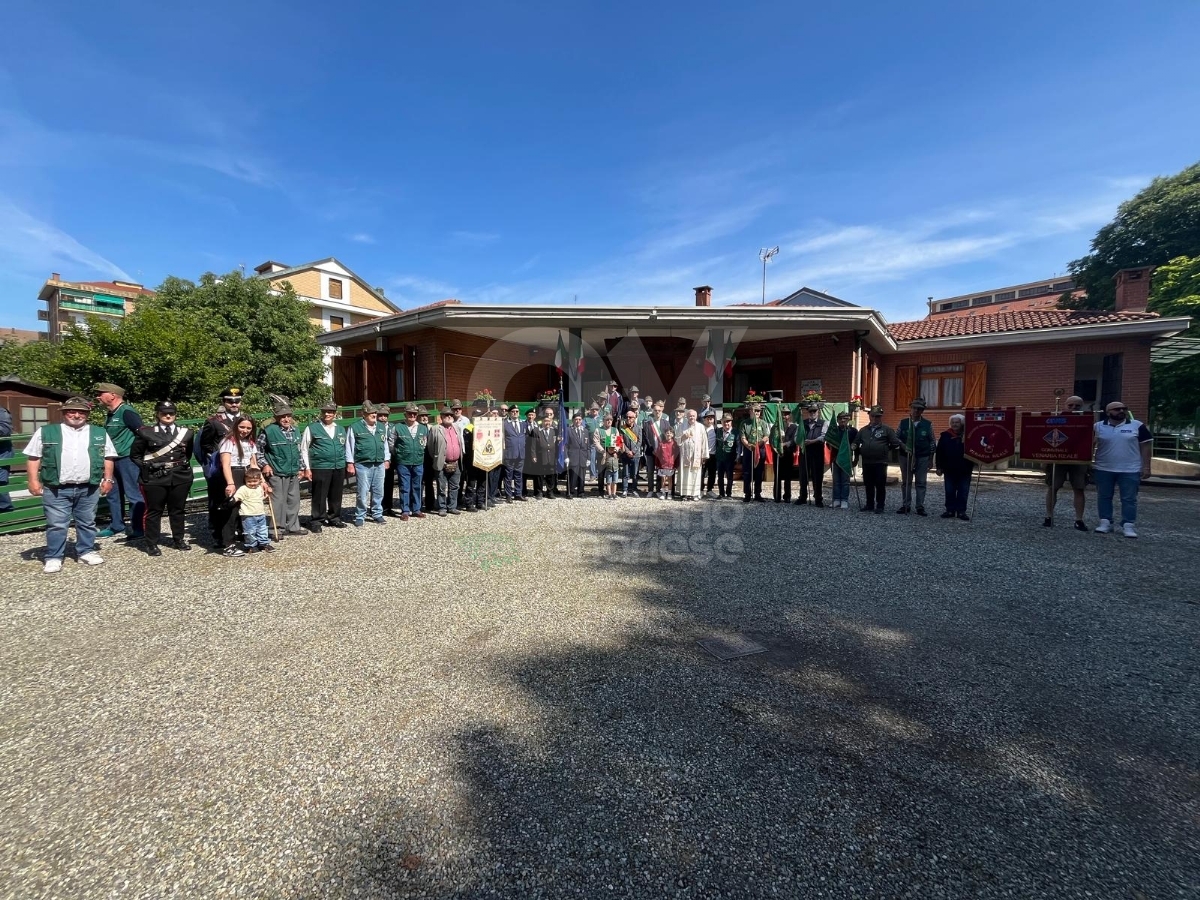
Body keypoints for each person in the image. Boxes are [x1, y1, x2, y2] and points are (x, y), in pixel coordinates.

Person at [25, 397, 116, 574]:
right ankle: (54, 556)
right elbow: (34, 457)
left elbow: (108, 457)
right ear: (64, 413)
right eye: (71, 411)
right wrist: (33, 480)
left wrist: (108, 479)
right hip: (56, 487)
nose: (76, 415)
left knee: (87, 522)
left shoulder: (99, 432)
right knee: (57, 524)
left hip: (88, 486)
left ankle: (86, 551)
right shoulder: (46, 431)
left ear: (87, 414)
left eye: (81, 412)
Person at [130, 400, 195, 554]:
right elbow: (135, 455)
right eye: (164, 413)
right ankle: (151, 543)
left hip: (180, 476)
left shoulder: (186, 433)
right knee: (154, 511)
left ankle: (178, 539)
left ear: (175, 414)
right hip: (155, 477)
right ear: (157, 414)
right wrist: (148, 467)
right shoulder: (146, 432)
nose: (168, 415)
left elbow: (188, 453)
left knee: (178, 510)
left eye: (171, 413)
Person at [1092, 400, 1153, 538]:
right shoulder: (1098, 427)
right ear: (1108, 412)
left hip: (1130, 469)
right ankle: (1105, 521)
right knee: (1104, 496)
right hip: (1104, 467)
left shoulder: (1137, 425)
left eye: (1123, 409)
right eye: (1116, 409)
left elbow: (1146, 446)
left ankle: (1128, 525)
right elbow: (1089, 444)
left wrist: (1147, 466)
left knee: (1129, 498)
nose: (1121, 411)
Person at [94, 382, 145, 540]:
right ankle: (116, 525)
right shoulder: (111, 414)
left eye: (101, 393)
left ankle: (139, 529)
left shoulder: (127, 412)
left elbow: (142, 433)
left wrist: (136, 454)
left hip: (127, 459)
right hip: (112, 459)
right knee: (112, 493)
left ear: (112, 395)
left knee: (133, 494)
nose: (98, 397)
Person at [198, 387, 245, 545]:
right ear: (224, 402)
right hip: (221, 468)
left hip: (240, 466)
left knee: (241, 498)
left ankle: (239, 530)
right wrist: (218, 458)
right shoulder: (214, 421)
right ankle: (218, 534)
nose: (234, 404)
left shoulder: (245, 419)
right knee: (219, 501)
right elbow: (206, 444)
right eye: (230, 401)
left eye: (237, 401)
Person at [258, 403, 305, 538]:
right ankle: (276, 529)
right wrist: (264, 465)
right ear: (276, 417)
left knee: (293, 500)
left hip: (292, 471)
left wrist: (301, 468)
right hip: (276, 471)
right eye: (282, 416)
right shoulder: (268, 431)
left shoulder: (295, 430)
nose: (286, 419)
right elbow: (258, 451)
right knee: (278, 502)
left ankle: (293, 526)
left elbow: (298, 451)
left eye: (288, 416)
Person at [300, 401, 348, 532]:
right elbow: (304, 448)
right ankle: (317, 520)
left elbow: (344, 447)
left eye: (330, 412)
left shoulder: (340, 429)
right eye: (325, 411)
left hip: (338, 465)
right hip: (320, 465)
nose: (327, 414)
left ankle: (334, 517)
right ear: (321, 413)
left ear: (334, 413)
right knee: (319, 494)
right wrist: (307, 468)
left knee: (336, 493)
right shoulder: (312, 428)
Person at [1044, 395, 1090, 531]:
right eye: (1070, 405)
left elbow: (1092, 439)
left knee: (1079, 488)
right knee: (1053, 487)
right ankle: (1049, 516)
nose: (1073, 408)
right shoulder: (1054, 419)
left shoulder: (1087, 421)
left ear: (1082, 407)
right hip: (1057, 459)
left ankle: (1079, 520)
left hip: (1078, 459)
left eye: (1077, 406)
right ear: (1065, 405)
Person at [217, 416, 259, 555]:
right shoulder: (228, 441)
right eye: (242, 427)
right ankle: (228, 544)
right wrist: (230, 483)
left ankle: (247, 539)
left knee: (246, 507)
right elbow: (226, 464)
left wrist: (262, 482)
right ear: (236, 426)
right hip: (233, 474)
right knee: (231, 510)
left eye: (248, 428)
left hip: (247, 473)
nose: (245, 430)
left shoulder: (250, 442)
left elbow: (254, 464)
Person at [852, 406, 906, 513]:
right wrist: (853, 446)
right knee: (868, 484)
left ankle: (880, 505)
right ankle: (869, 504)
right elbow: (856, 442)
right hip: (867, 462)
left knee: (880, 485)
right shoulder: (863, 430)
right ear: (869, 416)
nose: (876, 418)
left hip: (880, 462)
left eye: (878, 416)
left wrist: (886, 448)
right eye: (873, 416)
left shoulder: (887, 429)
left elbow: (895, 442)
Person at [345, 402, 390, 526]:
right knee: (362, 491)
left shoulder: (381, 427)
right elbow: (349, 446)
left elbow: (385, 444)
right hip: (363, 464)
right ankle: (360, 515)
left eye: (375, 412)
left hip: (379, 463)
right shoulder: (355, 427)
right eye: (370, 412)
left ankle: (377, 513)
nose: (373, 414)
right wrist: (350, 463)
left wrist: (386, 459)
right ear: (363, 414)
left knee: (379, 490)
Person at [897, 397, 936, 515]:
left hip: (922, 457)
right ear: (910, 409)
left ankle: (920, 506)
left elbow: (932, 442)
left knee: (921, 482)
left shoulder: (927, 424)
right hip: (905, 456)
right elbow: (896, 437)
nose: (916, 411)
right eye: (914, 408)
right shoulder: (903, 423)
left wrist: (931, 459)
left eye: (919, 409)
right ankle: (906, 505)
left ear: (922, 411)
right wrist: (904, 446)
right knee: (906, 482)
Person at [392, 404, 429, 520]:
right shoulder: (398, 427)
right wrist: (398, 454)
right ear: (405, 414)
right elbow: (390, 444)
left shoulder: (423, 428)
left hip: (418, 461)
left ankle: (417, 509)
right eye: (410, 413)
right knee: (404, 486)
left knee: (417, 486)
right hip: (403, 462)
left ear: (417, 415)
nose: (412, 415)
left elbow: (425, 444)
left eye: (414, 414)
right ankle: (405, 511)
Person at [935, 414, 974, 520]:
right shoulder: (945, 435)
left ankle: (961, 511)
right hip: (949, 469)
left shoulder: (969, 435)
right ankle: (950, 510)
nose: (954, 424)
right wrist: (938, 466)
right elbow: (939, 452)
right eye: (953, 422)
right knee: (949, 490)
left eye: (957, 422)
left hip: (965, 469)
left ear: (962, 423)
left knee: (963, 491)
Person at [426, 406, 463, 516]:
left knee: (455, 486)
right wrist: (438, 458)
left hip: (456, 462)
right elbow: (430, 447)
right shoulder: (435, 429)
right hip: (442, 463)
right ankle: (442, 507)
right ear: (441, 417)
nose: (449, 417)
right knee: (441, 487)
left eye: (451, 415)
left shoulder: (457, 427)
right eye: (446, 415)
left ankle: (452, 506)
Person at [233, 467, 274, 553]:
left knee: (262, 530)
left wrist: (269, 492)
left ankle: (263, 543)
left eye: (255, 481)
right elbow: (237, 497)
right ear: (245, 480)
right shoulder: (243, 489)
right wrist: (232, 500)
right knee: (250, 532)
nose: (252, 483)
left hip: (260, 513)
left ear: (259, 480)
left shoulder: (259, 488)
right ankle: (251, 545)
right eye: (249, 481)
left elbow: (263, 497)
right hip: (248, 515)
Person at [824, 410, 859, 510]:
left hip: (846, 459)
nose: (843, 420)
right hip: (835, 458)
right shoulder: (833, 431)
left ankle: (844, 500)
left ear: (848, 419)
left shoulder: (853, 431)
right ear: (838, 420)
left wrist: (856, 458)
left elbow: (856, 445)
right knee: (836, 481)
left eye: (845, 418)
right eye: (840, 418)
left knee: (845, 481)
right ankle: (836, 500)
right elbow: (828, 443)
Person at [798, 403, 829, 507]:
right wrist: (800, 441)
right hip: (804, 452)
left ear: (818, 412)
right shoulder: (803, 423)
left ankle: (818, 499)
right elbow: (796, 436)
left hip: (817, 452)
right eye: (810, 411)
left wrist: (812, 441)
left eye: (814, 411)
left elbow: (824, 436)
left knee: (817, 476)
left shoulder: (823, 423)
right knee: (803, 476)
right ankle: (802, 497)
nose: (812, 413)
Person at [676, 409, 708, 501]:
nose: (691, 418)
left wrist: (704, 455)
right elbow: (676, 439)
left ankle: (694, 494)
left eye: (693, 416)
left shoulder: (701, 427)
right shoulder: (681, 426)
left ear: (696, 416)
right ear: (686, 417)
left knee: (695, 474)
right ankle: (684, 494)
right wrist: (683, 437)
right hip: (685, 455)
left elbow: (704, 441)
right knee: (685, 474)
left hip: (696, 455)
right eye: (690, 416)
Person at [740, 404, 769, 502]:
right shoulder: (745, 423)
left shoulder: (763, 423)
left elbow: (766, 436)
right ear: (750, 412)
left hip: (759, 449)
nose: (757, 413)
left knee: (759, 472)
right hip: (748, 449)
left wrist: (758, 444)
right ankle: (747, 494)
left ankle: (757, 494)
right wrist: (748, 445)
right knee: (747, 473)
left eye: (758, 411)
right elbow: (742, 437)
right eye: (755, 411)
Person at [529, 408, 560, 499]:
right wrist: (533, 455)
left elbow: (558, 444)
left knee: (550, 475)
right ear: (542, 421)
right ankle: (539, 492)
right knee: (539, 475)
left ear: (551, 422)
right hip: (540, 456)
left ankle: (550, 492)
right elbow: (533, 445)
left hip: (551, 456)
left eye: (549, 421)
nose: (547, 423)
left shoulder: (554, 431)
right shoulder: (536, 431)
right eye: (545, 421)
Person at [642, 400, 671, 497]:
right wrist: (652, 448)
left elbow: (668, 437)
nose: (657, 412)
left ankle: (658, 490)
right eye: (655, 410)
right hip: (650, 451)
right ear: (653, 412)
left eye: (659, 410)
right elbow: (645, 437)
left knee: (660, 472)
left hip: (661, 452)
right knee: (650, 471)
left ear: (662, 411)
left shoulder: (666, 423)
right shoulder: (647, 423)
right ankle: (650, 490)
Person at [376, 404, 399, 516]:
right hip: (377, 458)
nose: (383, 418)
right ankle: (376, 507)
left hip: (390, 458)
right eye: (380, 415)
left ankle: (388, 507)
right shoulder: (373, 426)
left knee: (389, 483)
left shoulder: (392, 427)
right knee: (376, 484)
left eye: (385, 415)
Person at [502, 404, 527, 501]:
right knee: (508, 476)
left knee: (518, 475)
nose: (515, 413)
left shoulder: (523, 423)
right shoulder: (505, 423)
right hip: (510, 453)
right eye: (513, 411)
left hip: (521, 453)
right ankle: (508, 495)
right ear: (509, 413)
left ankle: (518, 493)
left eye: (517, 411)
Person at [774, 407, 799, 503]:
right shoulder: (777, 426)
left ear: (790, 415)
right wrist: (776, 447)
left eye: (787, 414)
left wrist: (784, 444)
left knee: (788, 476)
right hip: (777, 454)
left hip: (788, 454)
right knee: (777, 476)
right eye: (783, 414)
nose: (785, 416)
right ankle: (777, 496)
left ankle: (787, 496)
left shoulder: (794, 427)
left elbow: (794, 440)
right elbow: (773, 438)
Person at [617, 408, 642, 497]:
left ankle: (634, 489)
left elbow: (639, 441)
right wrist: (628, 451)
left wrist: (633, 451)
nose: (628, 418)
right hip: (625, 454)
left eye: (630, 417)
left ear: (634, 418)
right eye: (627, 417)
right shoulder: (622, 428)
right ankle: (624, 490)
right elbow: (620, 441)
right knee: (625, 473)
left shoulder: (639, 428)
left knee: (635, 474)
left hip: (636, 454)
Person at [566, 412, 591, 498]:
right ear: (573, 421)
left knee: (582, 476)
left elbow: (588, 446)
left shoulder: (585, 431)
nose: (578, 421)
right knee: (572, 476)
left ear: (582, 421)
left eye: (579, 419)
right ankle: (570, 492)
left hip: (583, 457)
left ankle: (581, 492)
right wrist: (566, 457)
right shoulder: (569, 430)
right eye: (576, 419)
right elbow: (565, 445)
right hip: (573, 456)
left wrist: (588, 458)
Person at [714, 413, 738, 499]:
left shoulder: (735, 432)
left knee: (729, 477)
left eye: (728, 421)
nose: (726, 423)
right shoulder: (718, 431)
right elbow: (715, 444)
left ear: (731, 422)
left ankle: (728, 493)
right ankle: (721, 493)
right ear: (722, 422)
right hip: (720, 458)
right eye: (724, 421)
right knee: (720, 477)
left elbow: (738, 446)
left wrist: (737, 457)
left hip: (730, 458)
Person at [701, 410, 718, 499]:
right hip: (703, 454)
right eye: (708, 418)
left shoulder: (716, 429)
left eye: (711, 418)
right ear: (705, 420)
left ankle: (709, 490)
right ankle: (700, 490)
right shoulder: (701, 429)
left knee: (712, 473)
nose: (709, 420)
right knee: (702, 473)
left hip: (713, 454)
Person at [0, 404, 13, 514]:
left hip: (2, 453)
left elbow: (5, 430)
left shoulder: (2, 412)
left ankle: (5, 511)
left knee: (0, 482)